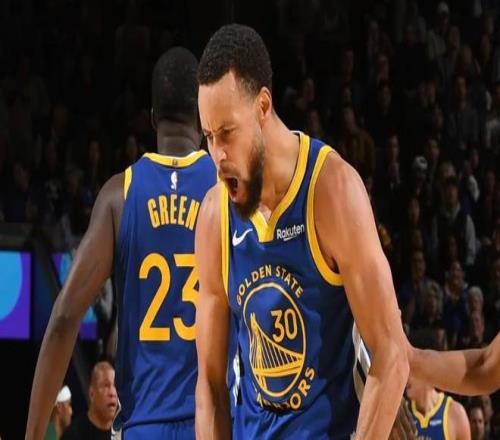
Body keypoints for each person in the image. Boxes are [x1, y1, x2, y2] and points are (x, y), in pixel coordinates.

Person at [194, 24, 409, 439]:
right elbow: (210, 386)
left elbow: (391, 351)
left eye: (227, 134)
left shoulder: (333, 191)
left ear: (262, 106)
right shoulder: (214, 216)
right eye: (208, 137)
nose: (216, 155)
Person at [25, 47, 217, 439]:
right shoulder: (227, 187)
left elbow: (64, 319)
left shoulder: (119, 195)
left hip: (142, 425)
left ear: (152, 117)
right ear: (202, 113)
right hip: (212, 424)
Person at [406, 332, 470, 440]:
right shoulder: (402, 415)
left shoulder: (455, 414)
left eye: (410, 369)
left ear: (427, 369)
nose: (405, 376)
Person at [410, 332, 500, 395]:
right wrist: (412, 358)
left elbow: (483, 370)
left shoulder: (454, 411)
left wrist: (412, 358)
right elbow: (483, 368)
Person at [61, 362, 117, 440]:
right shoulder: (74, 435)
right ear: (92, 394)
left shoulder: (124, 433)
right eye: (105, 385)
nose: (112, 393)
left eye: (115, 386)